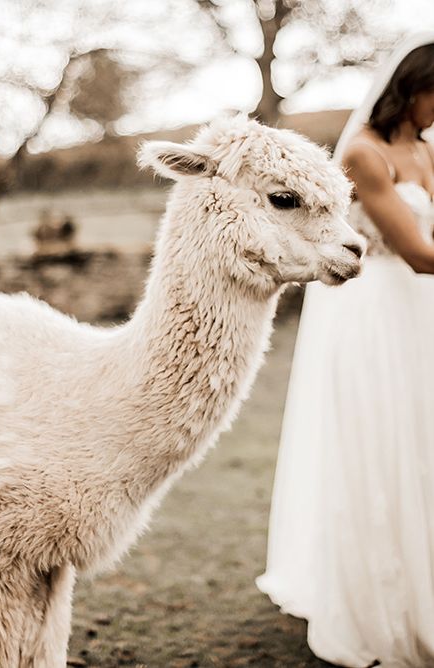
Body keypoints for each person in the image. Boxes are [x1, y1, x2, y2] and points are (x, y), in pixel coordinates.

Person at [256, 33, 434, 668]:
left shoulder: (423, 146)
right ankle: (381, 599)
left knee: (423, 445)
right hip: (375, 310)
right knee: (382, 445)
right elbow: (417, 253)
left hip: (422, 316)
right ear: (411, 89)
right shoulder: (362, 153)